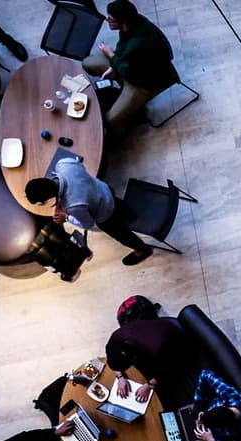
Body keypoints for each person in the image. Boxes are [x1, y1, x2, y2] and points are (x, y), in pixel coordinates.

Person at [24, 157, 154, 266]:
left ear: (46, 199)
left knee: (123, 235)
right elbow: (78, 169)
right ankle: (130, 215)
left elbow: (90, 224)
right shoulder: (63, 164)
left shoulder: (73, 207)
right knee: (120, 207)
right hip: (105, 191)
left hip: (106, 215)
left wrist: (66, 217)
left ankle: (142, 249)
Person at [81, 0, 175, 138]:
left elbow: (128, 71)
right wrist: (114, 64)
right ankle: (123, 98)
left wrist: (111, 56)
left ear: (123, 22)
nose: (107, 19)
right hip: (133, 67)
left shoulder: (137, 45)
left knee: (111, 119)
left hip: (145, 83)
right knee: (88, 63)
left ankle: (120, 137)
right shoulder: (132, 24)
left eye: (111, 19)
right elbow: (123, 49)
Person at [105, 317, 194, 407]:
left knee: (166, 394)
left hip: (177, 348)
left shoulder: (156, 349)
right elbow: (110, 354)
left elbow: (168, 369)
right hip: (151, 335)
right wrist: (120, 377)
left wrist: (148, 386)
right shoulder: (117, 337)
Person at [190, 369, 241, 441]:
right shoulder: (230, 395)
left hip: (209, 437)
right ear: (222, 406)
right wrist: (197, 411)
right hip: (202, 409)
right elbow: (205, 374)